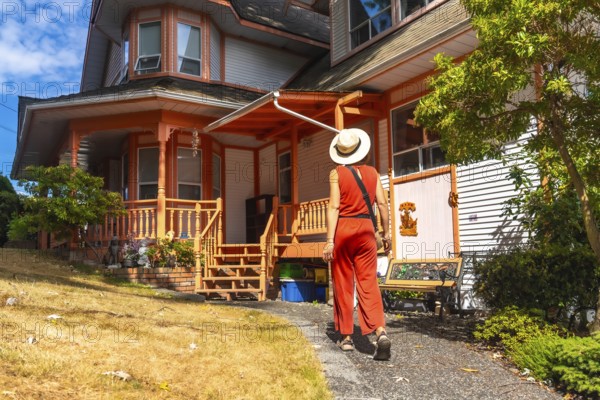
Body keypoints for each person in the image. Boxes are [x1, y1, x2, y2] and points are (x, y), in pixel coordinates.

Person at [322, 128, 392, 361]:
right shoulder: (373, 172)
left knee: (343, 282)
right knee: (368, 282)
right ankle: (380, 331)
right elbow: (382, 204)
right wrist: (386, 233)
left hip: (344, 231)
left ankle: (347, 337)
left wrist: (330, 241)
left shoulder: (336, 174)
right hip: (366, 231)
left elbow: (334, 207)